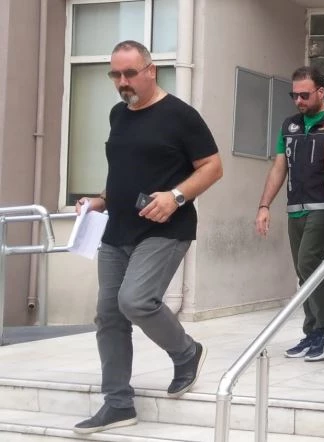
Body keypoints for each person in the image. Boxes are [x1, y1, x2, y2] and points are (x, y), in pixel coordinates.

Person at [72, 40, 223, 434]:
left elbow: (213, 166)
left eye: (130, 73)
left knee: (135, 300)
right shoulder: (118, 115)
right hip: (117, 230)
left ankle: (186, 352)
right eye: (115, 75)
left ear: (151, 70)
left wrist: (176, 197)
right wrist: (100, 200)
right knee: (108, 315)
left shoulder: (180, 115)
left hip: (166, 228)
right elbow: (123, 171)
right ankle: (118, 403)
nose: (123, 82)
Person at [255, 66, 324, 362]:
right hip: (295, 209)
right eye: (294, 96)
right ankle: (312, 331)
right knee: (303, 272)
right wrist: (264, 205)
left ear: (321, 92)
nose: (299, 101)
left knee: (308, 262)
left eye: (304, 95)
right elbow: (280, 167)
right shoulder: (289, 125)